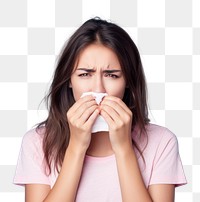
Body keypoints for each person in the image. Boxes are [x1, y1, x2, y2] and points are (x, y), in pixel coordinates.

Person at [14, 17, 187, 202]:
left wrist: (123, 148)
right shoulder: (37, 143)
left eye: (111, 75)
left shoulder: (162, 142)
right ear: (69, 80)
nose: (98, 89)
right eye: (85, 74)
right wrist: (76, 147)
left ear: (127, 81)